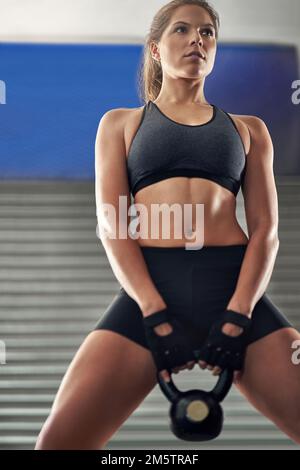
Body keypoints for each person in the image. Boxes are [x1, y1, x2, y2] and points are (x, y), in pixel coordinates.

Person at [35, 0, 300, 450]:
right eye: (182, 30)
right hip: (148, 292)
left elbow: (266, 232)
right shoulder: (120, 124)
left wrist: (238, 316)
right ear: (156, 49)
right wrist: (154, 313)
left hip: (236, 291)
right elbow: (113, 225)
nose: (197, 39)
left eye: (207, 33)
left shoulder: (250, 130)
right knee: (58, 444)